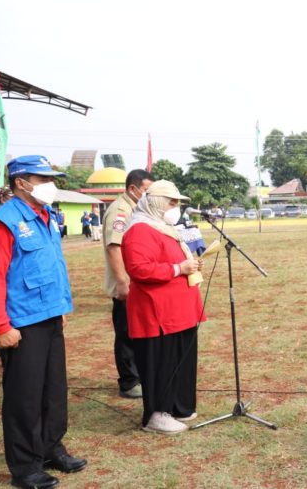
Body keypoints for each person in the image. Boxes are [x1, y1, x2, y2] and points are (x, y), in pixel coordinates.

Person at [0, 155, 86, 489]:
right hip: (20, 323)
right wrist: (0, 325)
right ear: (21, 182)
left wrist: (60, 310)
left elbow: (52, 267)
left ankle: (51, 447)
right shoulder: (3, 222)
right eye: (43, 178)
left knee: (53, 390)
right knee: (24, 397)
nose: (50, 185)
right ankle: (25, 467)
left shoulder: (46, 216)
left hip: (49, 316)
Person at [121, 180, 206, 434]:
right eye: (172, 202)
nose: (176, 207)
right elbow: (138, 268)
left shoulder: (165, 227)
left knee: (181, 358)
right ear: (157, 202)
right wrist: (179, 268)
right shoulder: (140, 229)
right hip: (157, 310)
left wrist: (190, 264)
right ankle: (157, 414)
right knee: (161, 361)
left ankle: (179, 405)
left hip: (180, 309)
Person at [102, 169, 155, 399]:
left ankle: (139, 375)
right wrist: (122, 282)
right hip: (126, 285)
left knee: (137, 331)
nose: (148, 195)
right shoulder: (121, 211)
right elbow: (114, 247)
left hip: (138, 282)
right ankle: (129, 381)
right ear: (133, 189)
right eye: (146, 190)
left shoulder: (135, 208)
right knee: (125, 333)